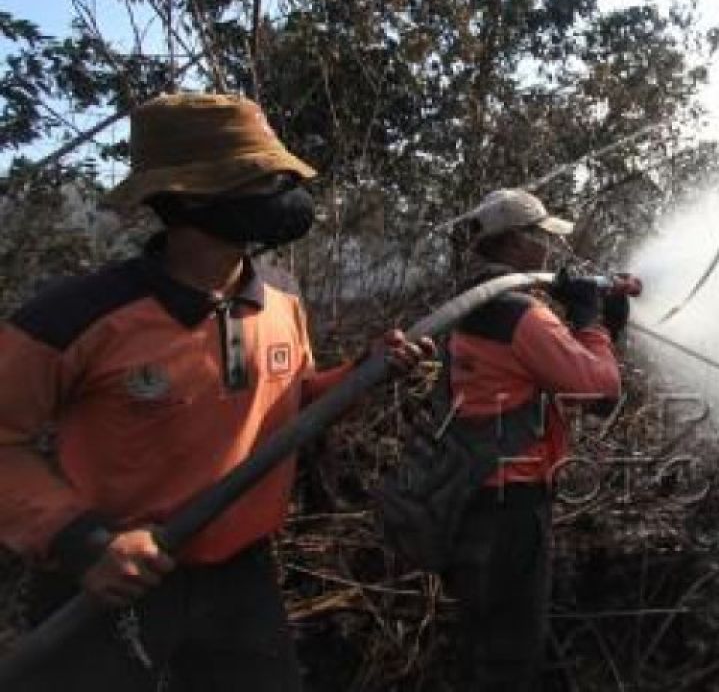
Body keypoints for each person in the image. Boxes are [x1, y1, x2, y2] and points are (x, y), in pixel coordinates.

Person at [0, 93, 431, 691]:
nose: (285, 193)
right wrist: (83, 541)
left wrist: (365, 372)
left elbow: (293, 405)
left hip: (239, 578)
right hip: (112, 582)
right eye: (263, 178)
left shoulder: (280, 297)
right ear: (191, 197)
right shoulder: (76, 317)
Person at [443, 188, 626, 690]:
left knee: (485, 647)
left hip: (472, 500)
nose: (550, 249)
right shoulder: (522, 315)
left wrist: (601, 323)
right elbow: (601, 393)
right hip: (512, 514)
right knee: (510, 660)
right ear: (517, 243)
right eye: (542, 237)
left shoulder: (471, 306)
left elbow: (547, 376)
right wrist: (590, 319)